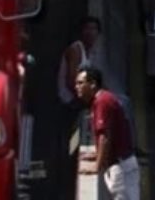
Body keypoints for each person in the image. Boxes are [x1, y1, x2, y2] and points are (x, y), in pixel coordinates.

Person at [75, 66, 140, 200]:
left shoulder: (102, 102)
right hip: (119, 164)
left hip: (120, 167)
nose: (77, 87)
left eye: (81, 83)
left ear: (93, 84)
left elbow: (104, 136)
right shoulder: (103, 99)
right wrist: (95, 155)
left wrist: (96, 167)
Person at [58, 16, 102, 107]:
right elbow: (71, 81)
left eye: (93, 29)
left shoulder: (91, 53)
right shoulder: (76, 49)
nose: (90, 32)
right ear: (81, 31)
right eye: (87, 28)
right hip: (70, 101)